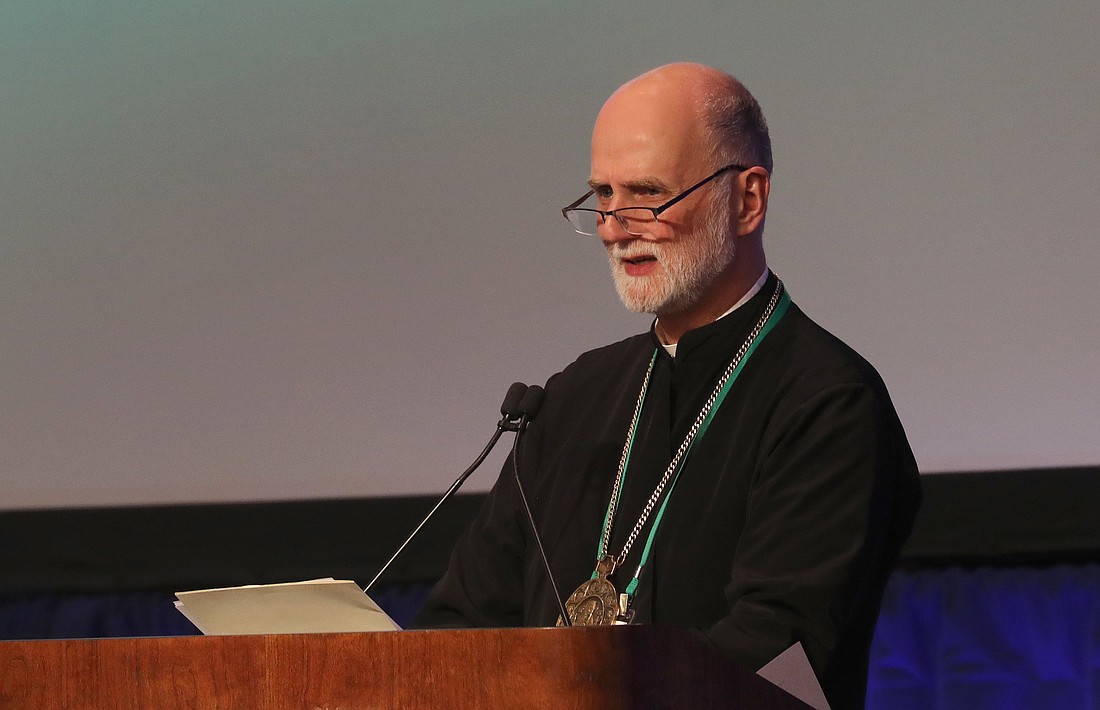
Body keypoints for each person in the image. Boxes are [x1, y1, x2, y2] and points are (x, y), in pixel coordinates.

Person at [416, 62, 921, 709]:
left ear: (748, 199)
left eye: (647, 193)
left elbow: (775, 653)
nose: (614, 226)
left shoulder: (829, 404)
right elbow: (459, 629)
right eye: (602, 195)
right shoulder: (573, 398)